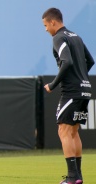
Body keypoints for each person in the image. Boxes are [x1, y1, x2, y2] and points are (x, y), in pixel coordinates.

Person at [42, 7, 94, 184]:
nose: (46, 29)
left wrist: (53, 84)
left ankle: (72, 177)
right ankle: (77, 177)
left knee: (63, 131)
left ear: (53, 22)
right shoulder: (76, 37)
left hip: (72, 91)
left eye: (45, 25)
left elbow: (67, 61)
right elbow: (91, 60)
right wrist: (81, 78)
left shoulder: (59, 37)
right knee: (73, 132)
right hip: (85, 89)